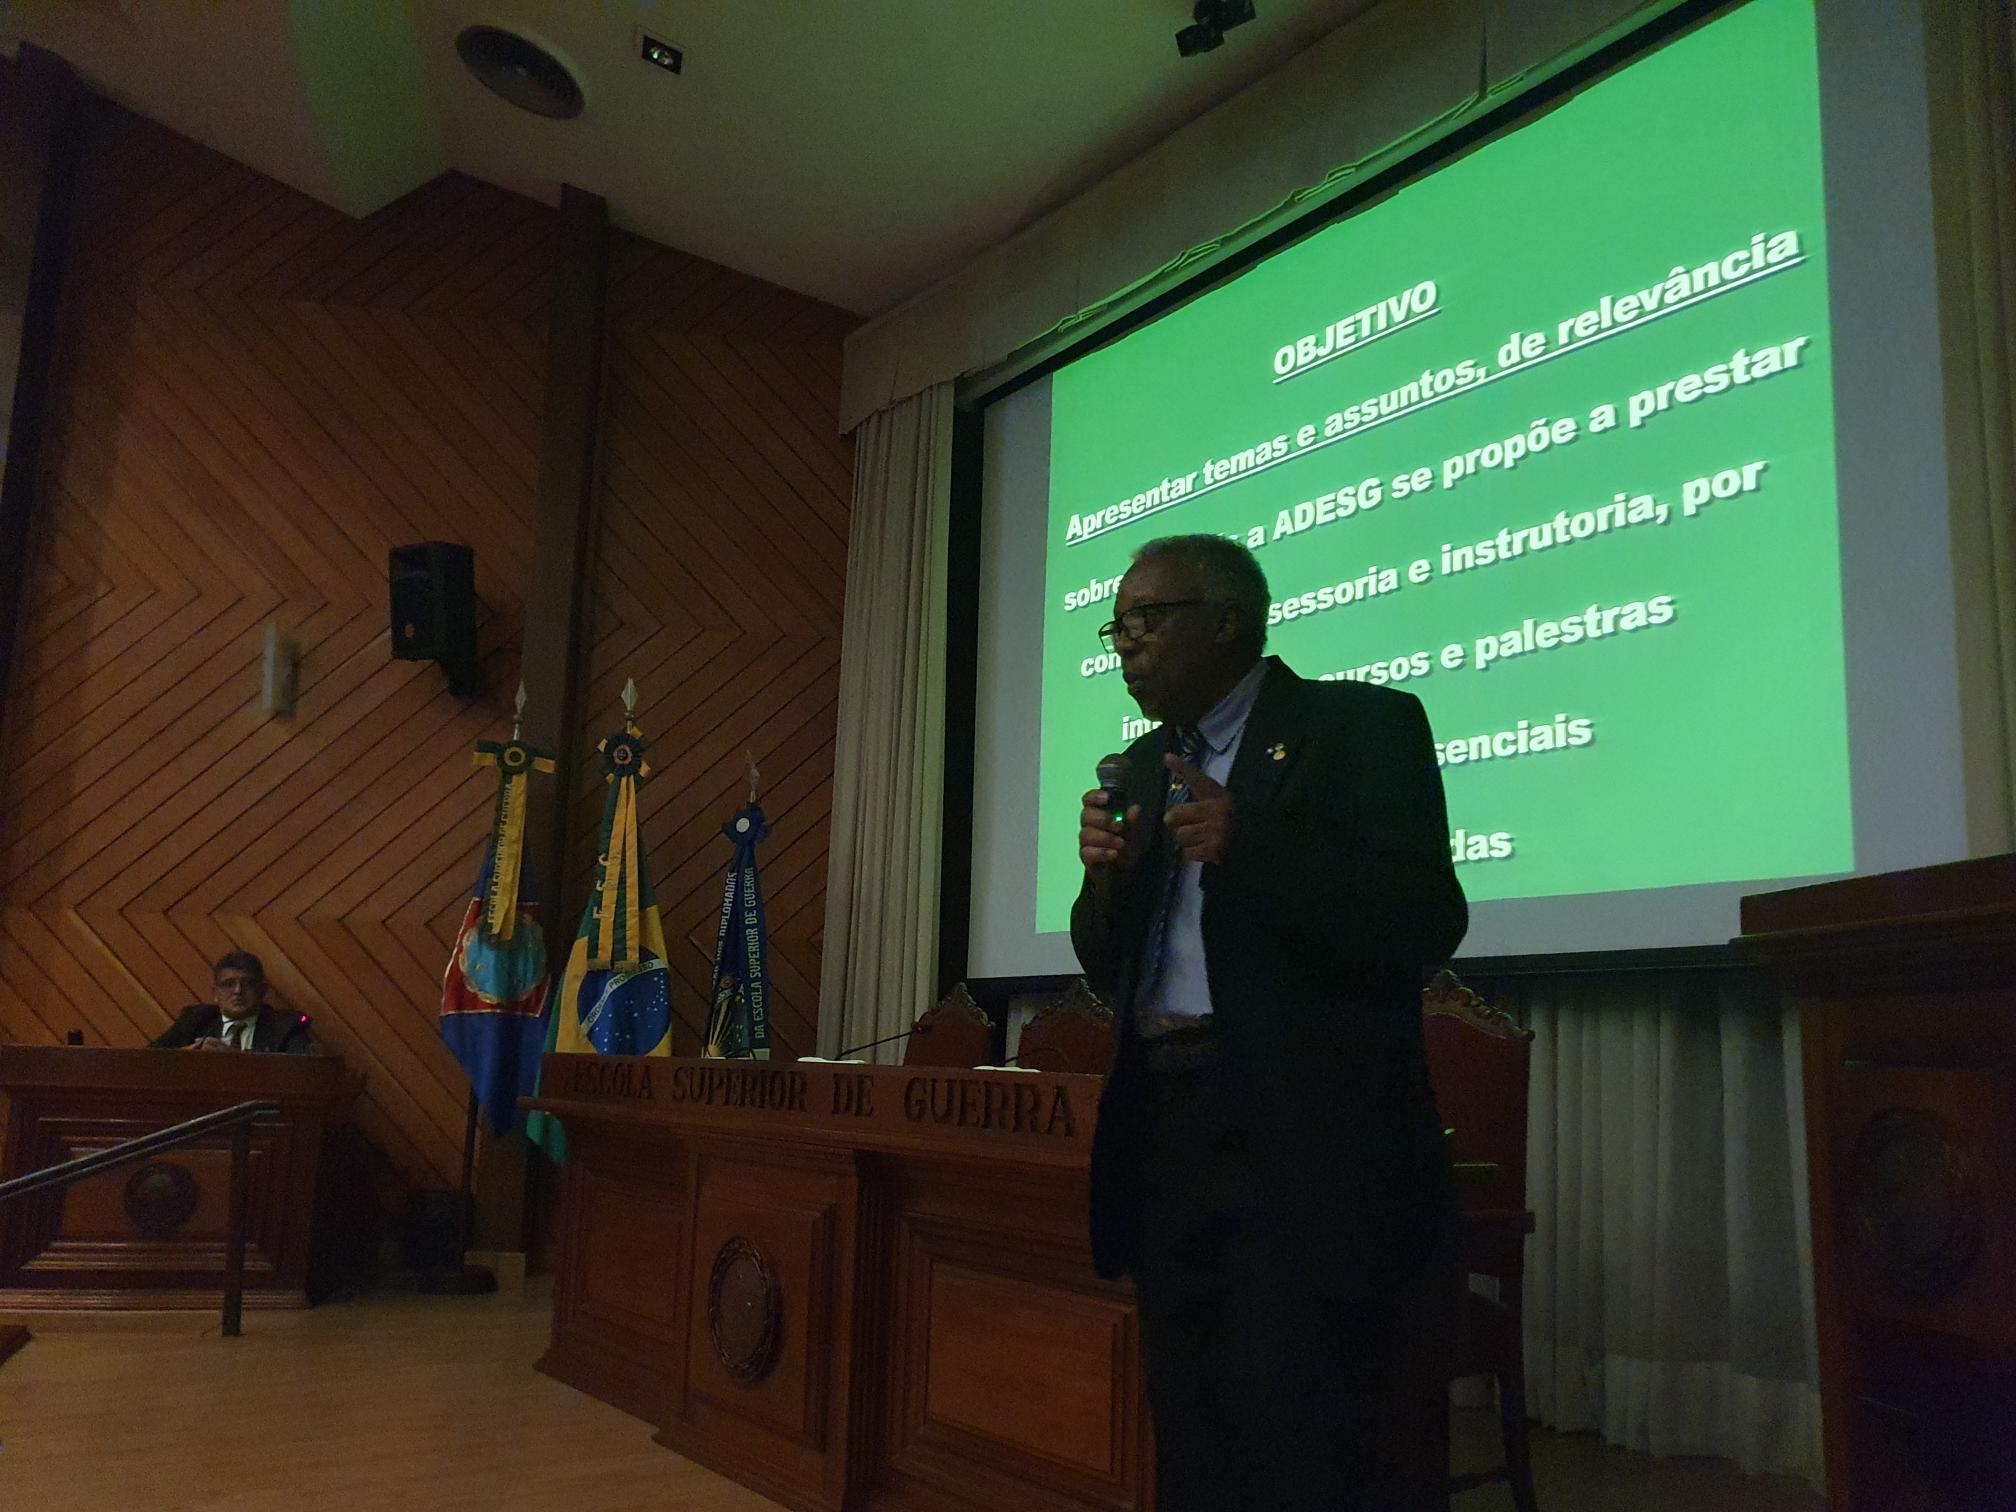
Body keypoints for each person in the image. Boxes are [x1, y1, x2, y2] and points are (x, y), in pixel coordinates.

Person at [1072, 534, 1467, 1511]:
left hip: (1303, 1142)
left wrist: (1252, 845)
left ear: (1226, 621)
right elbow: (1109, 965)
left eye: (1145, 619)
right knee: (1190, 1425)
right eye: (1116, 627)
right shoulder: (1142, 767)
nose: (1126, 643)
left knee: (1305, 1434)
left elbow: (1425, 917)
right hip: (1167, 1133)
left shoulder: (1360, 726)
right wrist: (1107, 880)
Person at [151, 951, 320, 1054]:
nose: (238, 991)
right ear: (215, 993)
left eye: (247, 984)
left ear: (263, 991)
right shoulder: (196, 1020)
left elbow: (297, 1075)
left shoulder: (284, 1027)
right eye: (228, 984)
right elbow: (148, 1060)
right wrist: (185, 1055)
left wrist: (235, 1059)